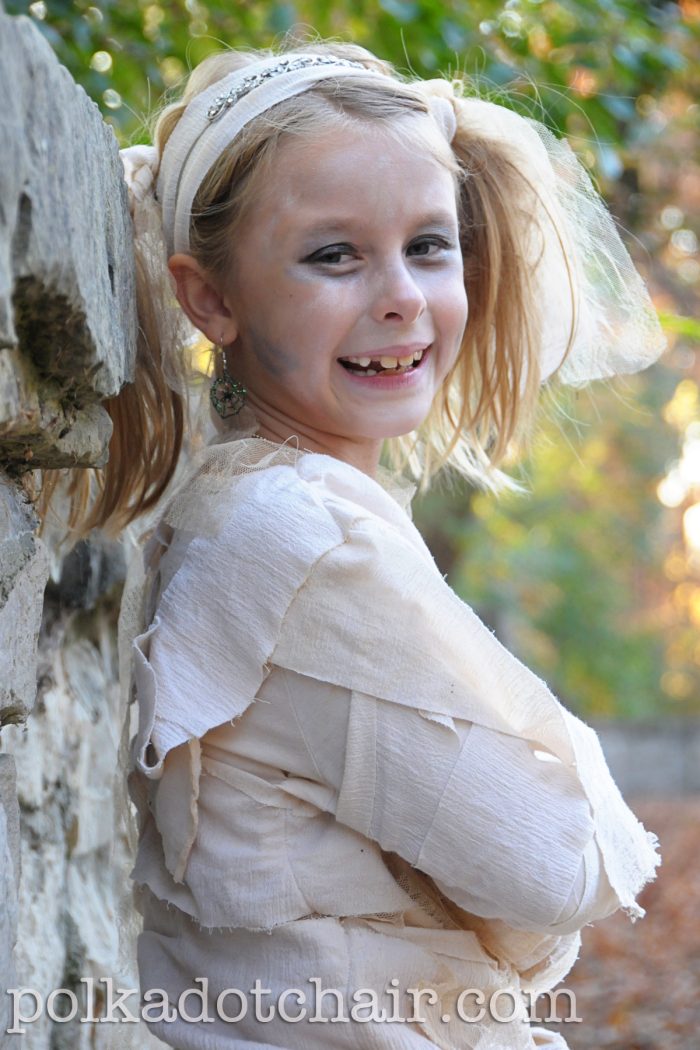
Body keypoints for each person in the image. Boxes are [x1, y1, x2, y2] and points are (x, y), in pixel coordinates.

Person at [95, 38, 666, 1050]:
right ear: (209, 298)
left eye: (429, 245)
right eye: (333, 255)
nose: (400, 293)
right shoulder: (307, 540)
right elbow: (558, 870)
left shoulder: (245, 502)